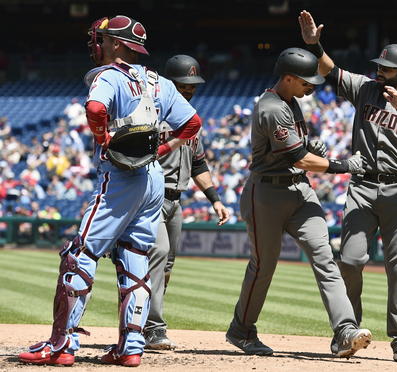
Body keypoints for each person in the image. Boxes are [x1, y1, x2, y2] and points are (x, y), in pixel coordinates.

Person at [18, 15, 201, 367]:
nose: (96, 44)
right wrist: (162, 150)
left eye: (101, 39)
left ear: (117, 44)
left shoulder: (109, 76)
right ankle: (131, 347)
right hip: (153, 180)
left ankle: (60, 345)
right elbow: (192, 123)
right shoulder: (157, 80)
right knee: (135, 258)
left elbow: (96, 108)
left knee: (80, 253)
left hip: (120, 178)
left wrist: (103, 140)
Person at [299, 10, 397, 364]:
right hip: (362, 188)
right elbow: (330, 71)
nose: (380, 70)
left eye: (387, 68)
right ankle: (348, 329)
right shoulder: (365, 89)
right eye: (379, 65)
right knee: (349, 261)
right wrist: (315, 46)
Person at [225, 47, 371, 358]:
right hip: (265, 195)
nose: (312, 86)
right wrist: (343, 165)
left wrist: (309, 143)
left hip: (299, 192)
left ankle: (345, 330)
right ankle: (242, 330)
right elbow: (299, 159)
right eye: (306, 82)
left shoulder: (290, 100)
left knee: (325, 258)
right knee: (264, 266)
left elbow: (297, 150)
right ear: (288, 78)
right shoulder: (272, 107)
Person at [144, 54, 230, 349]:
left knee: (166, 267)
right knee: (158, 257)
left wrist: (214, 199)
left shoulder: (192, 119)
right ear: (170, 83)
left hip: (176, 203)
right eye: (184, 84)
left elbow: (198, 164)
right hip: (153, 197)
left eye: (193, 84)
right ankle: (154, 327)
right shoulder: (152, 116)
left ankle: (141, 321)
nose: (190, 88)